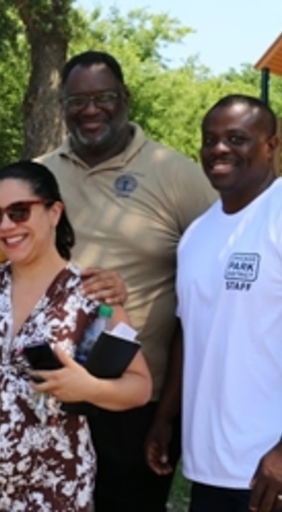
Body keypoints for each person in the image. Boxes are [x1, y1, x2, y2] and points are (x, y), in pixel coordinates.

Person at [0, 102, 128, 512]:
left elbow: (139, 385)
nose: (6, 226)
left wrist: (91, 388)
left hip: (51, 487)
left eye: (19, 212)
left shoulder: (90, 294)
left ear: (54, 212)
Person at [37, 50, 216, 512]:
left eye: (104, 97)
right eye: (77, 100)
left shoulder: (175, 174)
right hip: (51, 393)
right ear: (62, 106)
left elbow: (220, 257)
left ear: (126, 99)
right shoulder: (42, 175)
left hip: (138, 400)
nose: (91, 110)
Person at [168, 95, 282, 512]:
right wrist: (165, 420)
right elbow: (191, 332)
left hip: (269, 474)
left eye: (237, 138)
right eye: (209, 139)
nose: (219, 149)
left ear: (271, 144)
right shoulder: (197, 234)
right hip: (208, 468)